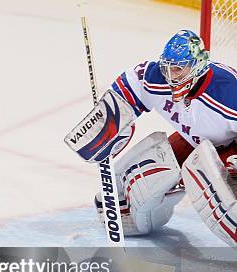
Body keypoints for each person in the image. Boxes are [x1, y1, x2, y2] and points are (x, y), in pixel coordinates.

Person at [85, 30, 236, 245]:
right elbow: (126, 90)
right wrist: (107, 123)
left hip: (232, 150)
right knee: (135, 187)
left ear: (198, 64)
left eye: (178, 69)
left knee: (214, 185)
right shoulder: (155, 77)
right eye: (167, 68)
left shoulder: (229, 91)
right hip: (195, 142)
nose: (171, 76)